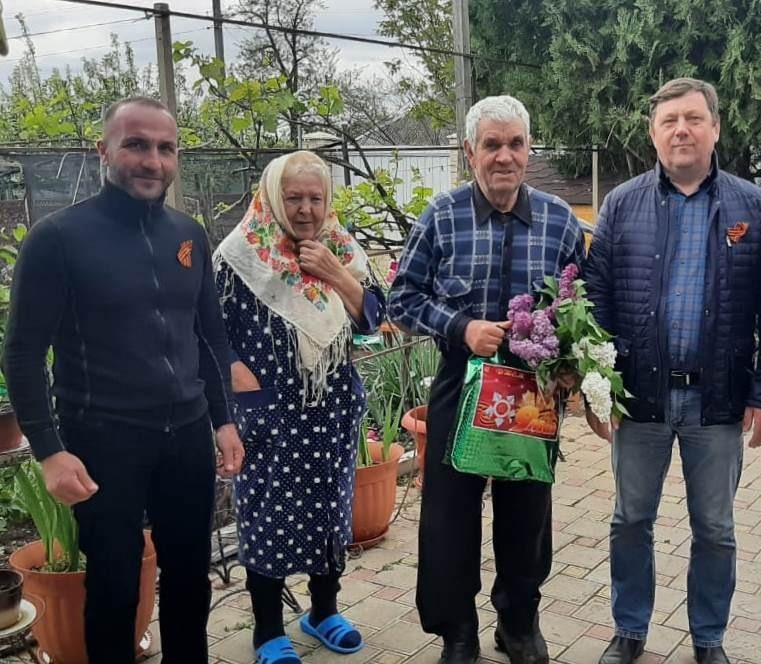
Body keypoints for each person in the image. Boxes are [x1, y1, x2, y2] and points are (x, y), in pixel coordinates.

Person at [2, 96, 243, 663]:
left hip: (185, 434)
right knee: (112, 586)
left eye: (165, 148)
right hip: (103, 438)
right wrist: (49, 451)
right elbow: (22, 353)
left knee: (190, 576)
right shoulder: (58, 238)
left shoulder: (188, 233)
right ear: (104, 150)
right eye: (136, 144)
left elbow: (209, 336)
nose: (152, 160)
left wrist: (224, 418)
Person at [584, 78, 761, 664]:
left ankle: (709, 639)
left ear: (715, 128)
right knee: (629, 521)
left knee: (716, 531)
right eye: (669, 119)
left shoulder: (754, 208)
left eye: (693, 118)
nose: (681, 129)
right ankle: (629, 629)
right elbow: (596, 302)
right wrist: (600, 393)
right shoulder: (622, 204)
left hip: (718, 402)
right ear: (653, 132)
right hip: (639, 399)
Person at [388, 95, 585, 664]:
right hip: (461, 378)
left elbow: (581, 302)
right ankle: (457, 631)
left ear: (529, 149)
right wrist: (461, 325)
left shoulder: (559, 219)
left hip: (532, 388)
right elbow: (403, 295)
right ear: (469, 151)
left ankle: (518, 623)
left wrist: (571, 366)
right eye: (492, 145)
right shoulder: (441, 216)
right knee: (450, 511)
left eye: (515, 144)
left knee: (527, 511)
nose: (504, 156)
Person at [213, 150, 386, 664]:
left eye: (315, 197)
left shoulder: (337, 247)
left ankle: (323, 611)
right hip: (267, 416)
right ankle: (267, 629)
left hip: (330, 411)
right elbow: (208, 331)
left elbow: (373, 319)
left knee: (330, 512)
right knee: (267, 515)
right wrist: (236, 373)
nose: (306, 209)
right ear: (272, 197)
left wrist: (339, 275)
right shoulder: (239, 253)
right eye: (294, 197)